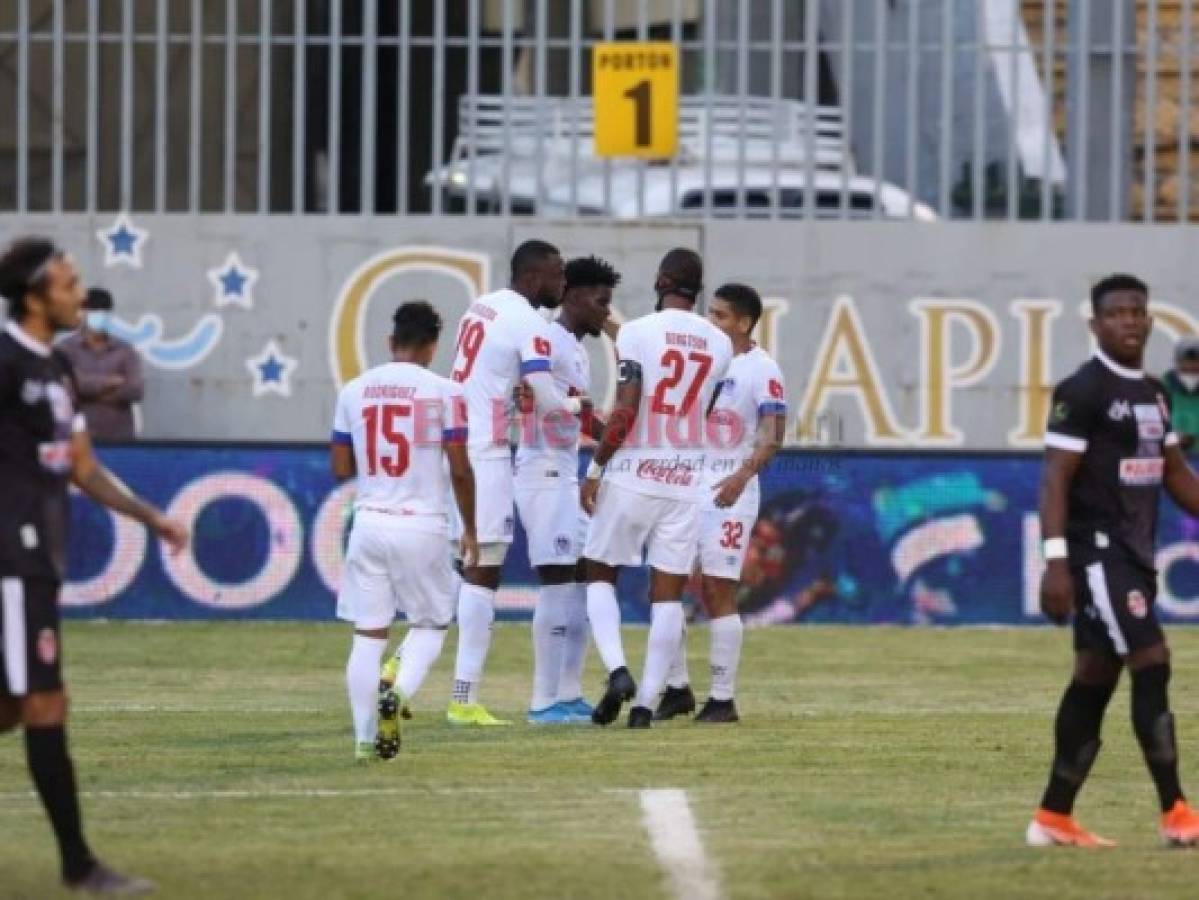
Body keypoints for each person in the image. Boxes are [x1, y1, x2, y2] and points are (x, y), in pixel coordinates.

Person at [0, 237, 188, 894]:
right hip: (9, 560)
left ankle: (80, 866)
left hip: (35, 560)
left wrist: (151, 517)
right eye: (68, 282)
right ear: (33, 295)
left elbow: (81, 467)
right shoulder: (4, 363)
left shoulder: (55, 370)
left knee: (13, 708)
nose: (81, 294)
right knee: (45, 702)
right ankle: (80, 867)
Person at [1028, 273, 1199, 848]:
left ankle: (1053, 818)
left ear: (1150, 321)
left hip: (1137, 557)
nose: (1129, 320)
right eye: (1117, 312)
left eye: (1137, 311)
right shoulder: (1083, 389)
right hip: (1097, 556)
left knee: (1094, 678)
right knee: (1152, 659)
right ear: (1096, 324)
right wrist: (1056, 563)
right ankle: (1176, 811)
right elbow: (1055, 477)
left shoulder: (1154, 392)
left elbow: (1176, 475)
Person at [580, 247, 733, 728]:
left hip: (633, 472)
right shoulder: (720, 344)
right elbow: (704, 413)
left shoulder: (639, 333)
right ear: (697, 288)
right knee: (666, 593)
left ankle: (617, 670)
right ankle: (646, 703)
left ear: (663, 280)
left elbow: (626, 408)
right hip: (685, 477)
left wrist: (597, 466)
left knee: (599, 572)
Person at [330, 301, 478, 760]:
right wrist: (471, 528)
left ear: (390, 342)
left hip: (370, 520)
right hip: (422, 524)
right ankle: (401, 694)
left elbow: (340, 467)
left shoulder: (353, 390)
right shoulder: (446, 392)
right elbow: (459, 468)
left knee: (367, 635)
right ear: (433, 345)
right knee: (431, 624)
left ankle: (362, 740)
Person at [444, 240, 579, 726]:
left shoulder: (481, 306)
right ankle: (462, 698)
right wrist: (582, 412)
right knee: (484, 568)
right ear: (535, 276)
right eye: (558, 275)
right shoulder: (529, 322)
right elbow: (543, 390)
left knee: (464, 562)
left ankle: (402, 666)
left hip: (457, 439)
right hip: (486, 451)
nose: (562, 285)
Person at [655, 283, 787, 724]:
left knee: (717, 589)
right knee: (666, 585)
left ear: (745, 323)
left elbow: (774, 435)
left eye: (721, 316)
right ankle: (675, 688)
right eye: (709, 314)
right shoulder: (700, 362)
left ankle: (723, 698)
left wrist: (741, 475)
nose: (711, 323)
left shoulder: (762, 369)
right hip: (683, 485)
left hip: (728, 491)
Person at [513, 255, 618, 724]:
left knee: (579, 582)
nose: (606, 312)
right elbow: (534, 401)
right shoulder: (549, 340)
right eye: (601, 301)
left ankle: (568, 693)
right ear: (574, 296)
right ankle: (541, 702)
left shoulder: (575, 348)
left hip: (566, 472)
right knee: (557, 581)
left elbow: (581, 416)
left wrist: (618, 437)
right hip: (541, 473)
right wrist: (592, 416)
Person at [57, 288, 143, 442]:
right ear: (83, 312)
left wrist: (87, 394)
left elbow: (135, 389)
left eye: (105, 310)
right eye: (95, 309)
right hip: (76, 439)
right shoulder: (65, 348)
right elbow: (68, 388)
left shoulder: (125, 349)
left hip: (119, 439)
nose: (100, 314)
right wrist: (109, 382)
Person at [1162, 337, 1199, 451]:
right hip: (1171, 455)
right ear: (1177, 362)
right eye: (1186, 363)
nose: (1190, 367)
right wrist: (1173, 437)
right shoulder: (1161, 388)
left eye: (1196, 364)